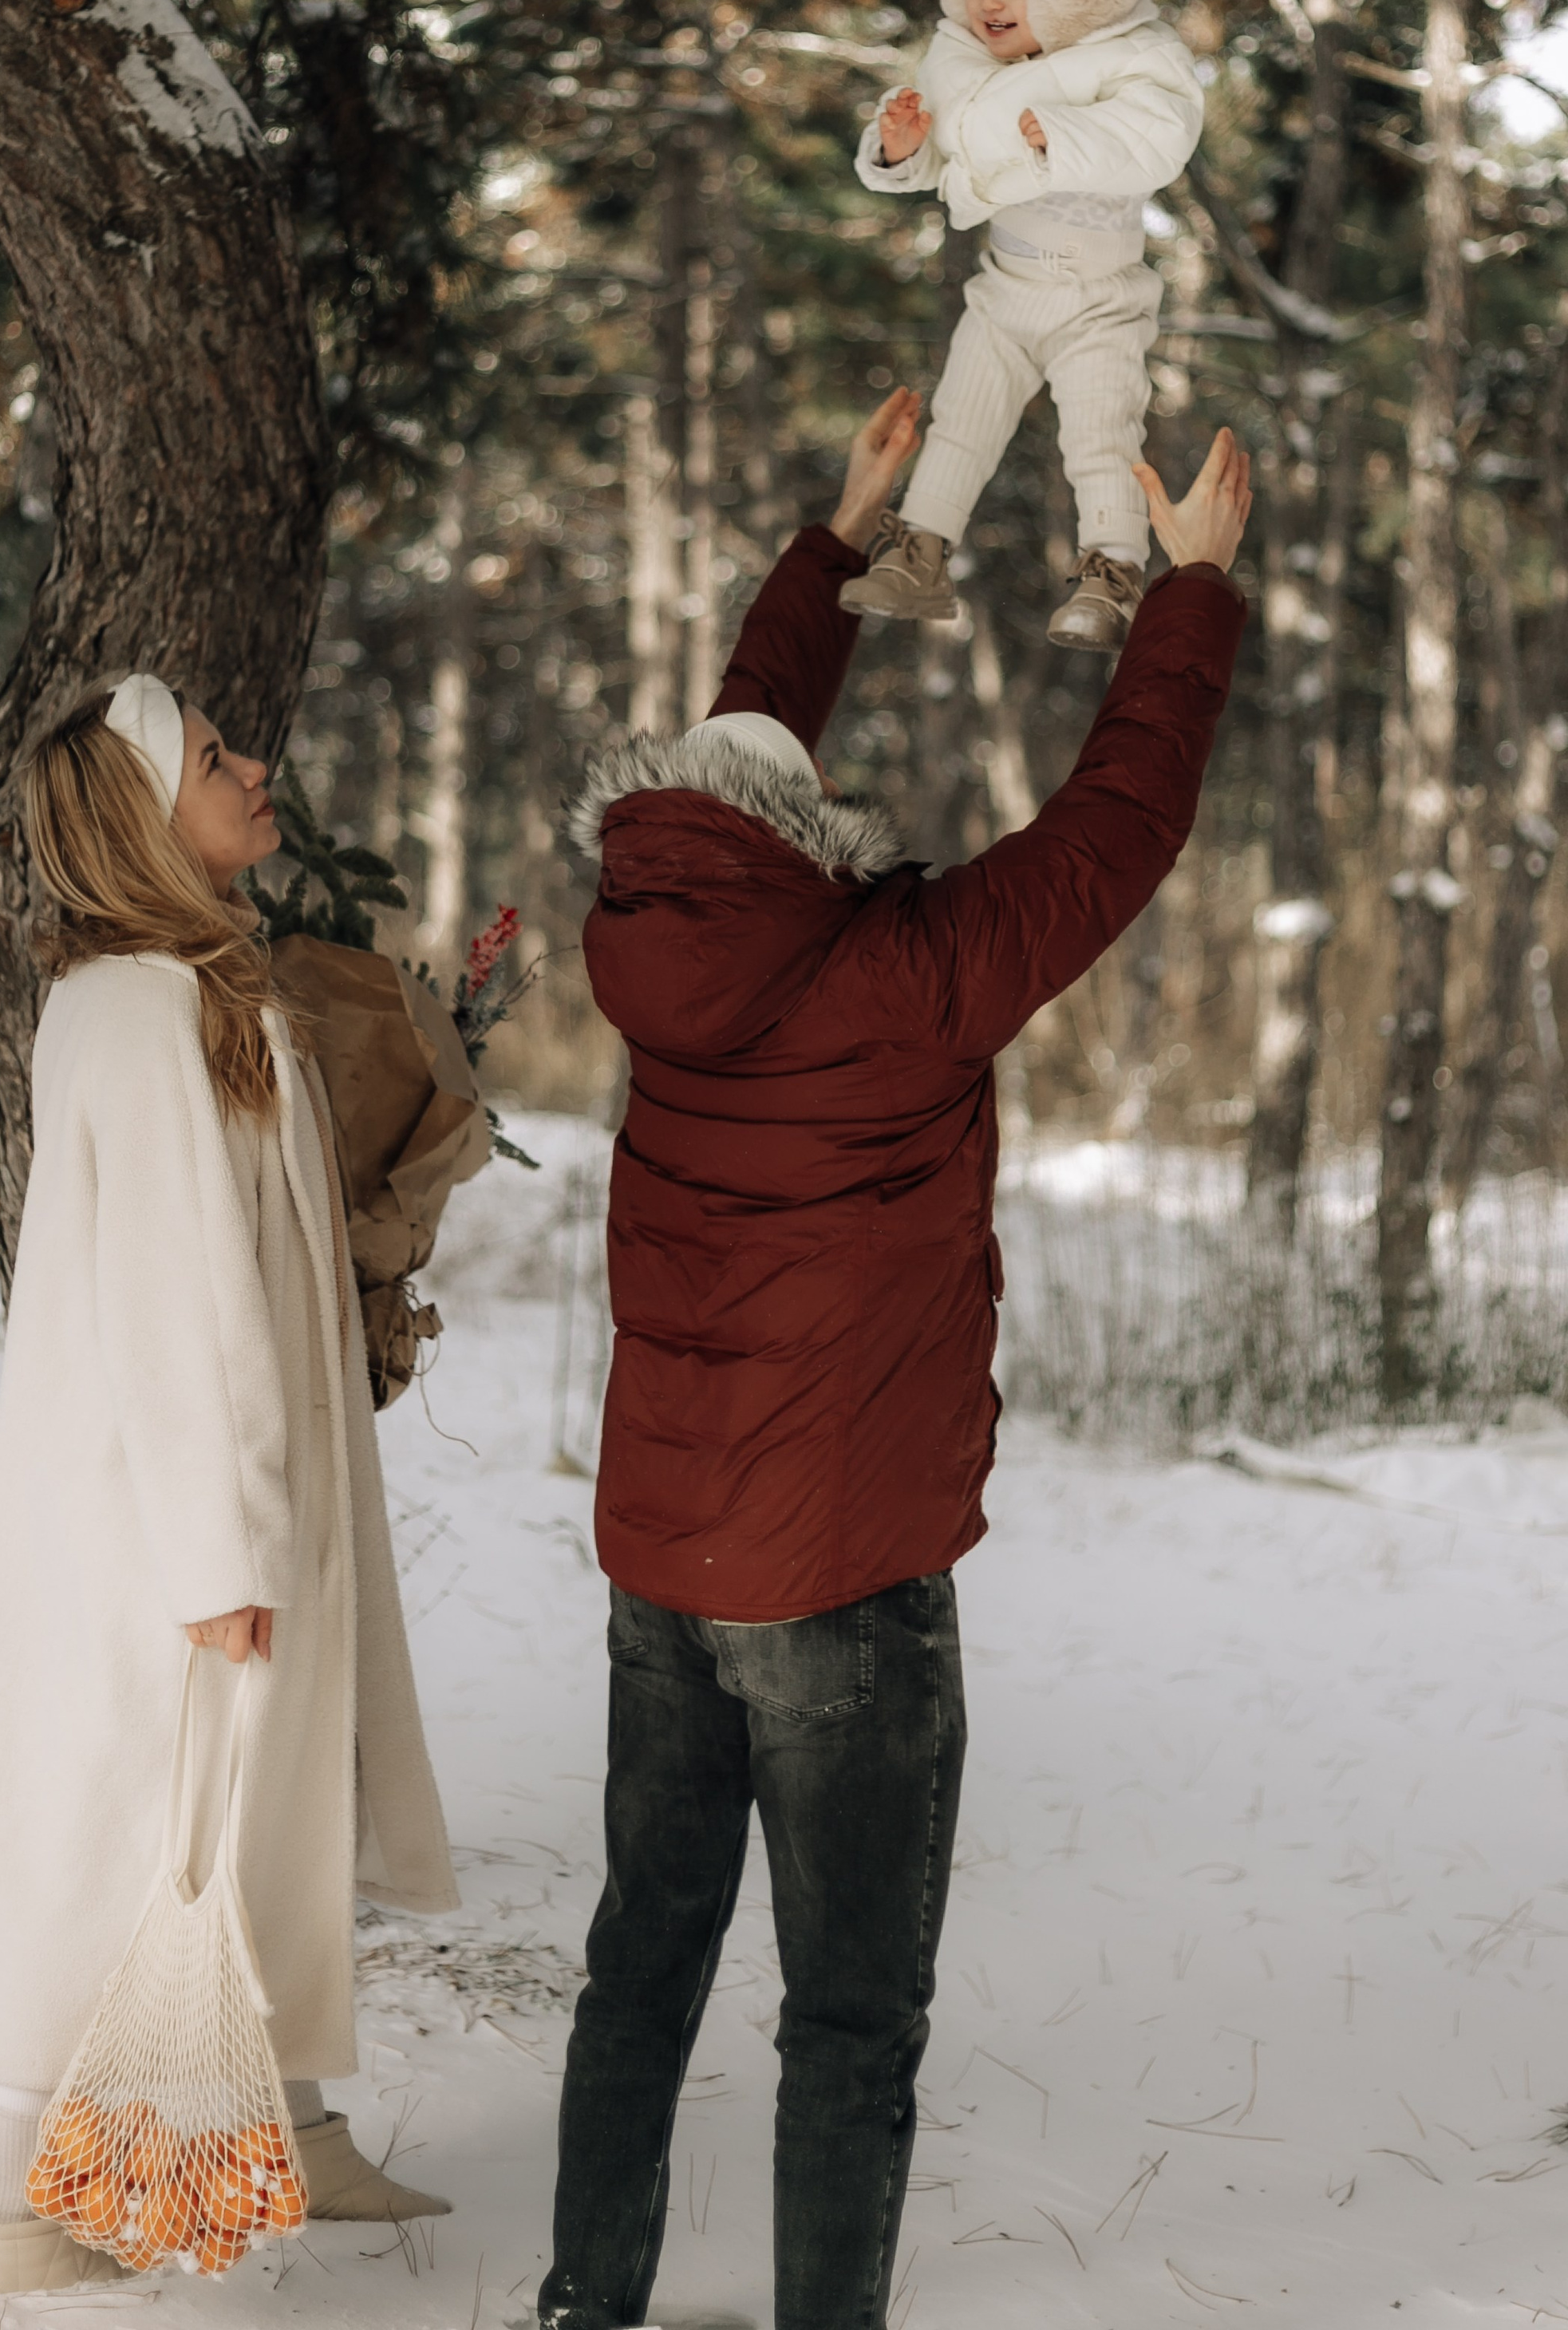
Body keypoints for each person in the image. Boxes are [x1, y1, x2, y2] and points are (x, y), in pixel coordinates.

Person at [542, 393, 1251, 2330]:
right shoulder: (907, 974)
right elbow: (1118, 825)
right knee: (847, 2013)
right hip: (842, 1576)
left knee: (643, 1953)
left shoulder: (658, 963)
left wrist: (838, 550)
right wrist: (1187, 595)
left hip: (660, 1567)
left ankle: (580, 2299)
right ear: (796, 839)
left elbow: (738, 756)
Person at [0, 672, 460, 2296]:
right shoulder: (149, 1011)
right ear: (141, 815)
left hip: (237, 1491)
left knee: (258, 1824)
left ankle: (290, 2123)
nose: (254, 767)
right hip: (170, 1523)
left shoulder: (200, 990)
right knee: (128, 1832)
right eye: (214, 757)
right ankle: (6, 2207)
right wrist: (215, 1548)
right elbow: (170, 1297)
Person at [843, 0, 1206, 653]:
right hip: (1005, 285)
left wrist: (1070, 138)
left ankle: (1110, 575)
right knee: (960, 419)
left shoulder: (1131, 55)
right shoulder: (960, 60)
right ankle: (918, 555)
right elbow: (943, 157)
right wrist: (901, 149)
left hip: (1096, 296)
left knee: (1100, 431)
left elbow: (1161, 135)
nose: (992, 3)